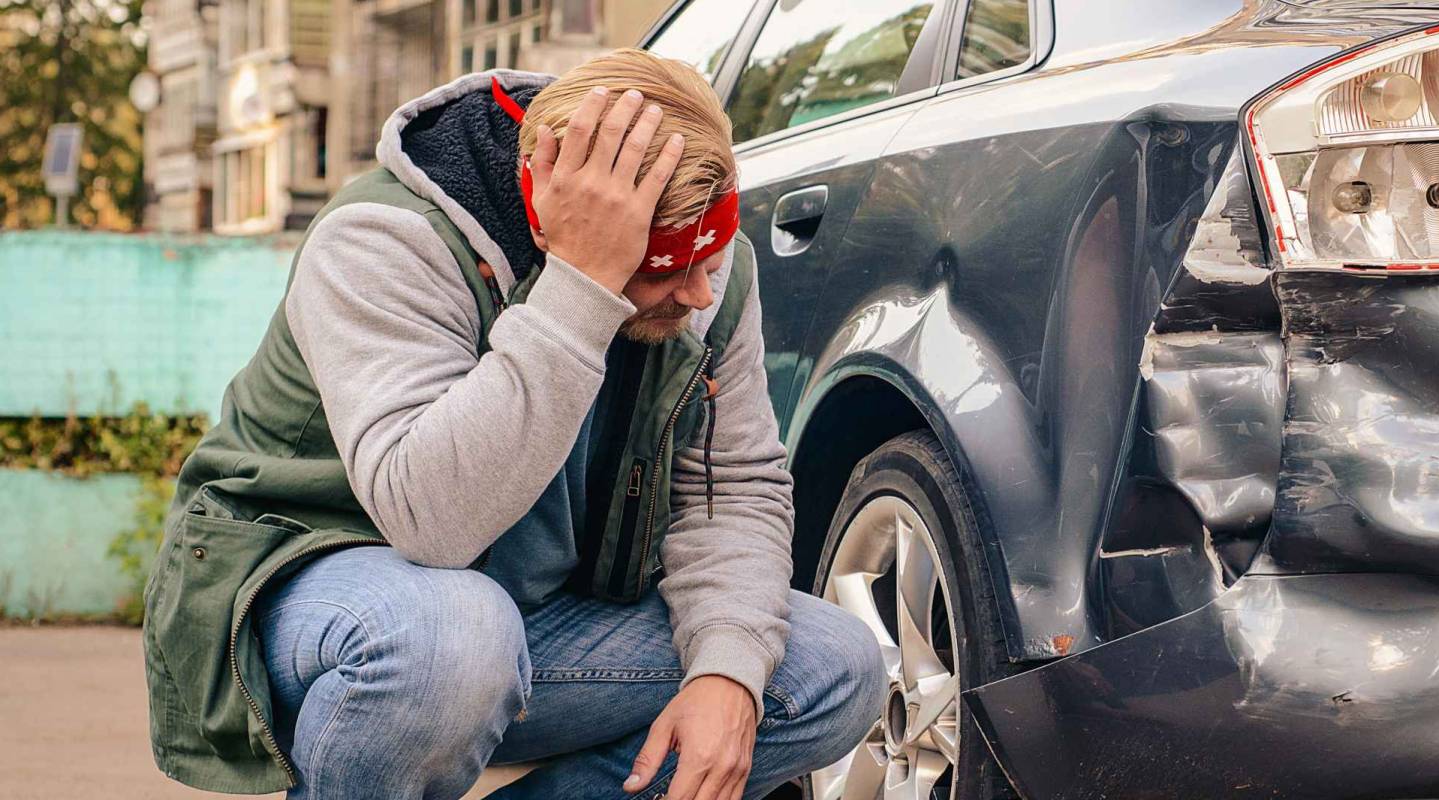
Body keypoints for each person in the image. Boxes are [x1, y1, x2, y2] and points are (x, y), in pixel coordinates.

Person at [141, 50, 884, 800]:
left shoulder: (706, 275)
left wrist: (726, 669)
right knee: (452, 638)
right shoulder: (383, 239)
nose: (698, 292)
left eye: (709, 258)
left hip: (533, 625)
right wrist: (582, 286)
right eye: (664, 266)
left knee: (825, 666)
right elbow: (433, 523)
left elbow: (734, 490)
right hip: (323, 605)